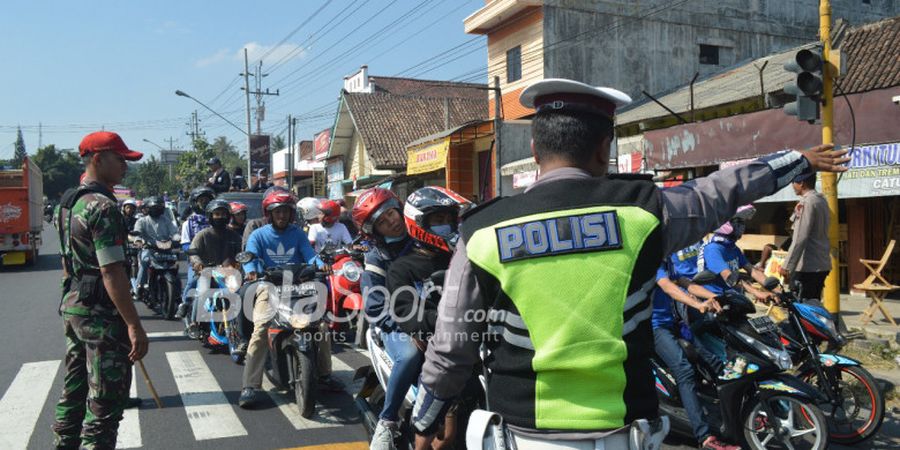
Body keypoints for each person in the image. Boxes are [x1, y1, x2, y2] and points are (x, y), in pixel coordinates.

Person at [409, 78, 849, 449]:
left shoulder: (483, 230)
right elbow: (720, 191)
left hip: (525, 435)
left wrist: (426, 418)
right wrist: (797, 162)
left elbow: (451, 349)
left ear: (534, 149)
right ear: (604, 148)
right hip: (626, 433)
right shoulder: (645, 212)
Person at [52, 131, 149, 449]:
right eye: (119, 159)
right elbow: (112, 271)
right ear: (98, 159)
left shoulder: (67, 204)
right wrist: (134, 324)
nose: (125, 165)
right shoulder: (103, 208)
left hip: (74, 306)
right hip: (101, 316)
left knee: (75, 389)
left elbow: (69, 264)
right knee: (105, 407)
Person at [369, 187, 470, 450]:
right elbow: (400, 310)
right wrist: (417, 327)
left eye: (449, 219)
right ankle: (387, 421)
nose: (446, 226)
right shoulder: (389, 262)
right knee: (442, 435)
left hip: (465, 337)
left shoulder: (460, 255)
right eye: (437, 221)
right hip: (431, 341)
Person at [238, 190, 343, 408]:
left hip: (298, 286)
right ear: (269, 214)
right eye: (278, 212)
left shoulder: (297, 234)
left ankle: (324, 375)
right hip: (269, 285)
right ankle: (250, 385)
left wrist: (319, 264)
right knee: (260, 329)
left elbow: (310, 255)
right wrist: (251, 270)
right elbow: (251, 257)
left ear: (291, 214)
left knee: (320, 327)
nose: (282, 216)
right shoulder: (259, 235)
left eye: (286, 211)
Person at [653, 244, 737, 450]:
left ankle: (734, 414)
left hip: (674, 323)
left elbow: (685, 283)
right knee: (684, 371)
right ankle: (704, 436)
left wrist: (712, 296)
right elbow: (668, 287)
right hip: (655, 327)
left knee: (715, 361)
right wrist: (697, 304)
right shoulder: (651, 261)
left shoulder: (668, 258)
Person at [184, 199, 243, 336]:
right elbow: (193, 252)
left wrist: (241, 263)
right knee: (203, 293)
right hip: (207, 273)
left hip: (229, 274)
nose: (220, 217)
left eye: (223, 214)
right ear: (210, 216)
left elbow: (242, 252)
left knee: (240, 294)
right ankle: (194, 323)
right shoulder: (203, 234)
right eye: (217, 214)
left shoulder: (234, 235)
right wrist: (198, 264)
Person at [698, 205, 776, 303]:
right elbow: (729, 278)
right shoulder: (713, 249)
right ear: (725, 224)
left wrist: (776, 290)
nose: (742, 226)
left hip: (734, 297)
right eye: (738, 222)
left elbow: (753, 271)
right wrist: (756, 292)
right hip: (716, 300)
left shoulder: (733, 248)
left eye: (742, 222)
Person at [779, 172, 831, 301]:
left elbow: (800, 238)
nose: (792, 186)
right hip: (821, 263)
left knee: (803, 307)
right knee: (814, 304)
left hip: (808, 266)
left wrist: (787, 266)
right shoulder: (821, 200)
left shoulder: (807, 202)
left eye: (793, 182)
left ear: (801, 183)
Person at [132, 196, 179, 299]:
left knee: (175, 265)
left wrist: (177, 239)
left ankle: (177, 291)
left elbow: (174, 232)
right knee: (145, 261)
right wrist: (139, 240)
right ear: (148, 209)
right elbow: (137, 233)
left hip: (166, 248)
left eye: (159, 208)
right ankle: (140, 286)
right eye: (154, 208)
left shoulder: (166, 220)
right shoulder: (142, 221)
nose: (157, 210)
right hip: (149, 248)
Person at [179, 187, 215, 312]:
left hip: (217, 260)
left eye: (207, 200)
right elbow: (185, 243)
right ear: (195, 202)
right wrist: (196, 255)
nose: (204, 202)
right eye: (201, 200)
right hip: (197, 261)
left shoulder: (216, 220)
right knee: (193, 281)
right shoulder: (188, 223)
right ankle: (185, 304)